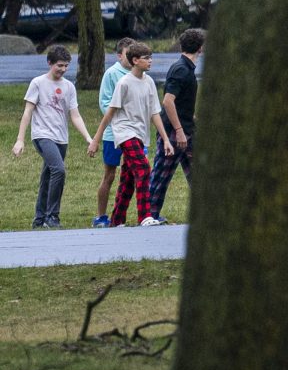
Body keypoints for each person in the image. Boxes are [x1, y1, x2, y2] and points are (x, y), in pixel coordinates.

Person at [87, 41, 173, 226]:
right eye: (146, 58)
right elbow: (110, 112)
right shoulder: (123, 83)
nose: (150, 61)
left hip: (140, 134)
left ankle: (117, 219)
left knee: (128, 178)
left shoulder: (149, 82)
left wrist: (165, 139)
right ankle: (145, 216)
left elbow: (154, 113)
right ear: (135, 60)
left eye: (151, 57)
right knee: (143, 168)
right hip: (125, 133)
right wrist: (96, 139)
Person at [13, 45, 92, 229]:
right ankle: (52, 216)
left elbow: (75, 115)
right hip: (42, 136)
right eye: (59, 65)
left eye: (66, 66)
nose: (63, 69)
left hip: (61, 138)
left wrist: (88, 138)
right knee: (59, 170)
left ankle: (39, 219)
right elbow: (27, 112)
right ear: (49, 63)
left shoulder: (69, 86)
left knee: (48, 176)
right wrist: (20, 139)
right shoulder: (38, 83)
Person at [148, 28, 205, 221]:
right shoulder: (181, 69)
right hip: (175, 132)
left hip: (188, 129)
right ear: (201, 48)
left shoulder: (186, 68)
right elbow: (168, 101)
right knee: (161, 174)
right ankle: (149, 216)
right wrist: (179, 131)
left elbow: (180, 103)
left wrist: (191, 117)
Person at [91, 38, 134, 227]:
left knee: (136, 172)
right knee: (110, 175)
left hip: (134, 134)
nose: (133, 58)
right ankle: (101, 216)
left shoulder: (138, 73)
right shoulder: (112, 74)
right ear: (119, 55)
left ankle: (125, 213)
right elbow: (105, 104)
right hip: (113, 134)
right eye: (128, 54)